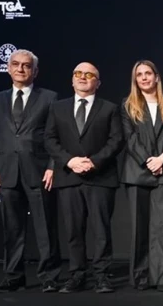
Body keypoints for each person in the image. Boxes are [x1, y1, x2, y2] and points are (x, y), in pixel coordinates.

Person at [0, 49, 61, 293]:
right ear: (8, 68)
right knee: (12, 229)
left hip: (39, 172)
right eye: (15, 64)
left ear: (35, 71)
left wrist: (53, 166)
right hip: (7, 173)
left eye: (26, 65)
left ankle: (49, 277)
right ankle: (13, 277)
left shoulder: (49, 97)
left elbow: (55, 136)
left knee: (45, 227)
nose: (20, 69)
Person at [45, 62, 123, 293]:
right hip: (69, 176)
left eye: (89, 75)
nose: (82, 77)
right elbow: (49, 139)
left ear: (97, 83)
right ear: (72, 80)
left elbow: (116, 140)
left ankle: (101, 275)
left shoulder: (109, 108)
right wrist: (70, 161)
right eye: (78, 73)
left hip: (100, 177)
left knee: (101, 231)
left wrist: (94, 161)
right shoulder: (57, 108)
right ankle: (77, 275)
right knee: (73, 231)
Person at [120, 60, 163, 292]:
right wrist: (148, 161)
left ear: (156, 77)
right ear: (135, 80)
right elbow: (130, 138)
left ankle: (162, 277)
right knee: (140, 228)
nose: (144, 78)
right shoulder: (127, 106)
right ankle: (141, 276)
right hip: (137, 172)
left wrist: (162, 158)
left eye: (148, 73)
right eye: (139, 74)